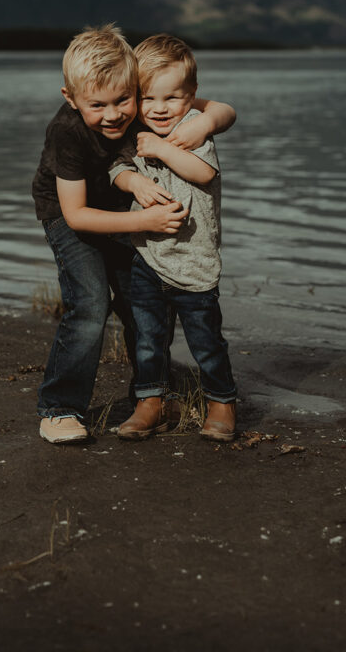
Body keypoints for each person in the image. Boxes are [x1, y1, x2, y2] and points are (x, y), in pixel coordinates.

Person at [31, 24, 236, 444]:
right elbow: (77, 216)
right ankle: (60, 408)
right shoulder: (66, 133)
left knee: (137, 302)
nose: (114, 115)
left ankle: (151, 397)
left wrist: (207, 123)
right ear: (70, 98)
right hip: (74, 213)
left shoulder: (146, 102)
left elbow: (223, 109)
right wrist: (144, 221)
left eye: (124, 100)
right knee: (89, 303)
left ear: (133, 89)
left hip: (123, 210)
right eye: (98, 105)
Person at [110, 33, 237, 443]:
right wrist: (133, 183)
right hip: (147, 258)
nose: (160, 109)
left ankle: (221, 403)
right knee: (148, 340)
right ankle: (152, 402)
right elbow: (116, 170)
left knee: (206, 343)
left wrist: (163, 150)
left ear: (192, 96)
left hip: (195, 261)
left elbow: (204, 174)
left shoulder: (192, 131)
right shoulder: (135, 132)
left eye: (173, 98)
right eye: (148, 99)